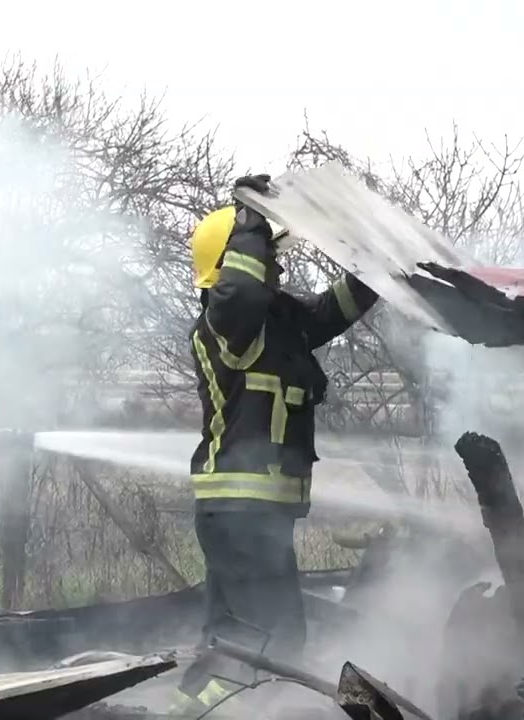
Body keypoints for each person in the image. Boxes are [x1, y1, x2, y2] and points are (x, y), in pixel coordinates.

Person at [171, 175, 381, 716]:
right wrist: (250, 220)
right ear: (229, 268)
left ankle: (195, 710)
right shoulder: (225, 327)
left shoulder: (274, 325)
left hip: (250, 514)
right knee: (276, 642)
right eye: (269, 259)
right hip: (239, 511)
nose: (278, 268)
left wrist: (378, 264)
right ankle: (230, 711)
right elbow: (239, 289)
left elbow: (330, 310)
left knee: (236, 638)